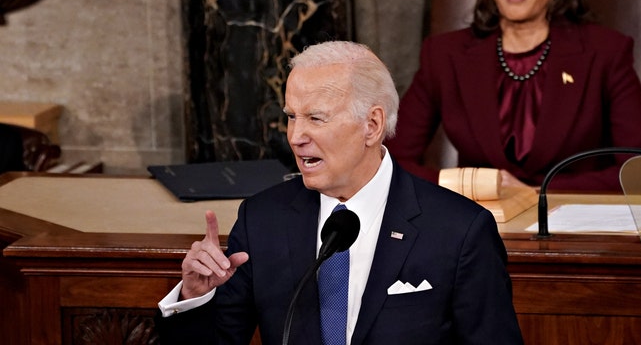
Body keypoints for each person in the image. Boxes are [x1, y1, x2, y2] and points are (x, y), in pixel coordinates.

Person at [155, 41, 524, 345]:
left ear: (372, 125)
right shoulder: (261, 220)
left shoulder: (459, 230)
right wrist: (194, 297)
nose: (296, 136)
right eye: (291, 116)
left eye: (316, 118)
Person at [386, 0, 641, 192]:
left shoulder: (605, 53)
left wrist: (537, 193)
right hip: (478, 221)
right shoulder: (446, 55)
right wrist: (466, 188)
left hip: (569, 222)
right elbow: (390, 161)